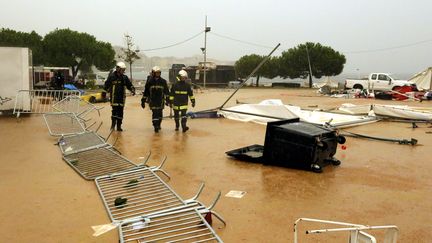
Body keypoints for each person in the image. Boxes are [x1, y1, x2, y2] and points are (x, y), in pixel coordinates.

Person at [104, 61, 135, 131]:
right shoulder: (112, 77)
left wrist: (132, 89)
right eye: (122, 69)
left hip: (122, 98)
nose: (123, 71)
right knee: (114, 111)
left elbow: (129, 85)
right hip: (114, 98)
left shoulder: (124, 78)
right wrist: (105, 91)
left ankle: (119, 126)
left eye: (124, 70)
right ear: (118, 69)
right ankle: (113, 125)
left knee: (121, 112)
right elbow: (106, 85)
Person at [141, 66, 170, 133]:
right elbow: (146, 92)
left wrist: (168, 99)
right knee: (155, 113)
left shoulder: (163, 81)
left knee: (160, 114)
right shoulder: (150, 82)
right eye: (156, 73)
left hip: (160, 101)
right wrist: (143, 101)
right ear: (153, 73)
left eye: (159, 73)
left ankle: (159, 124)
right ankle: (155, 126)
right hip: (153, 101)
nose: (158, 74)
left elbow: (166, 91)